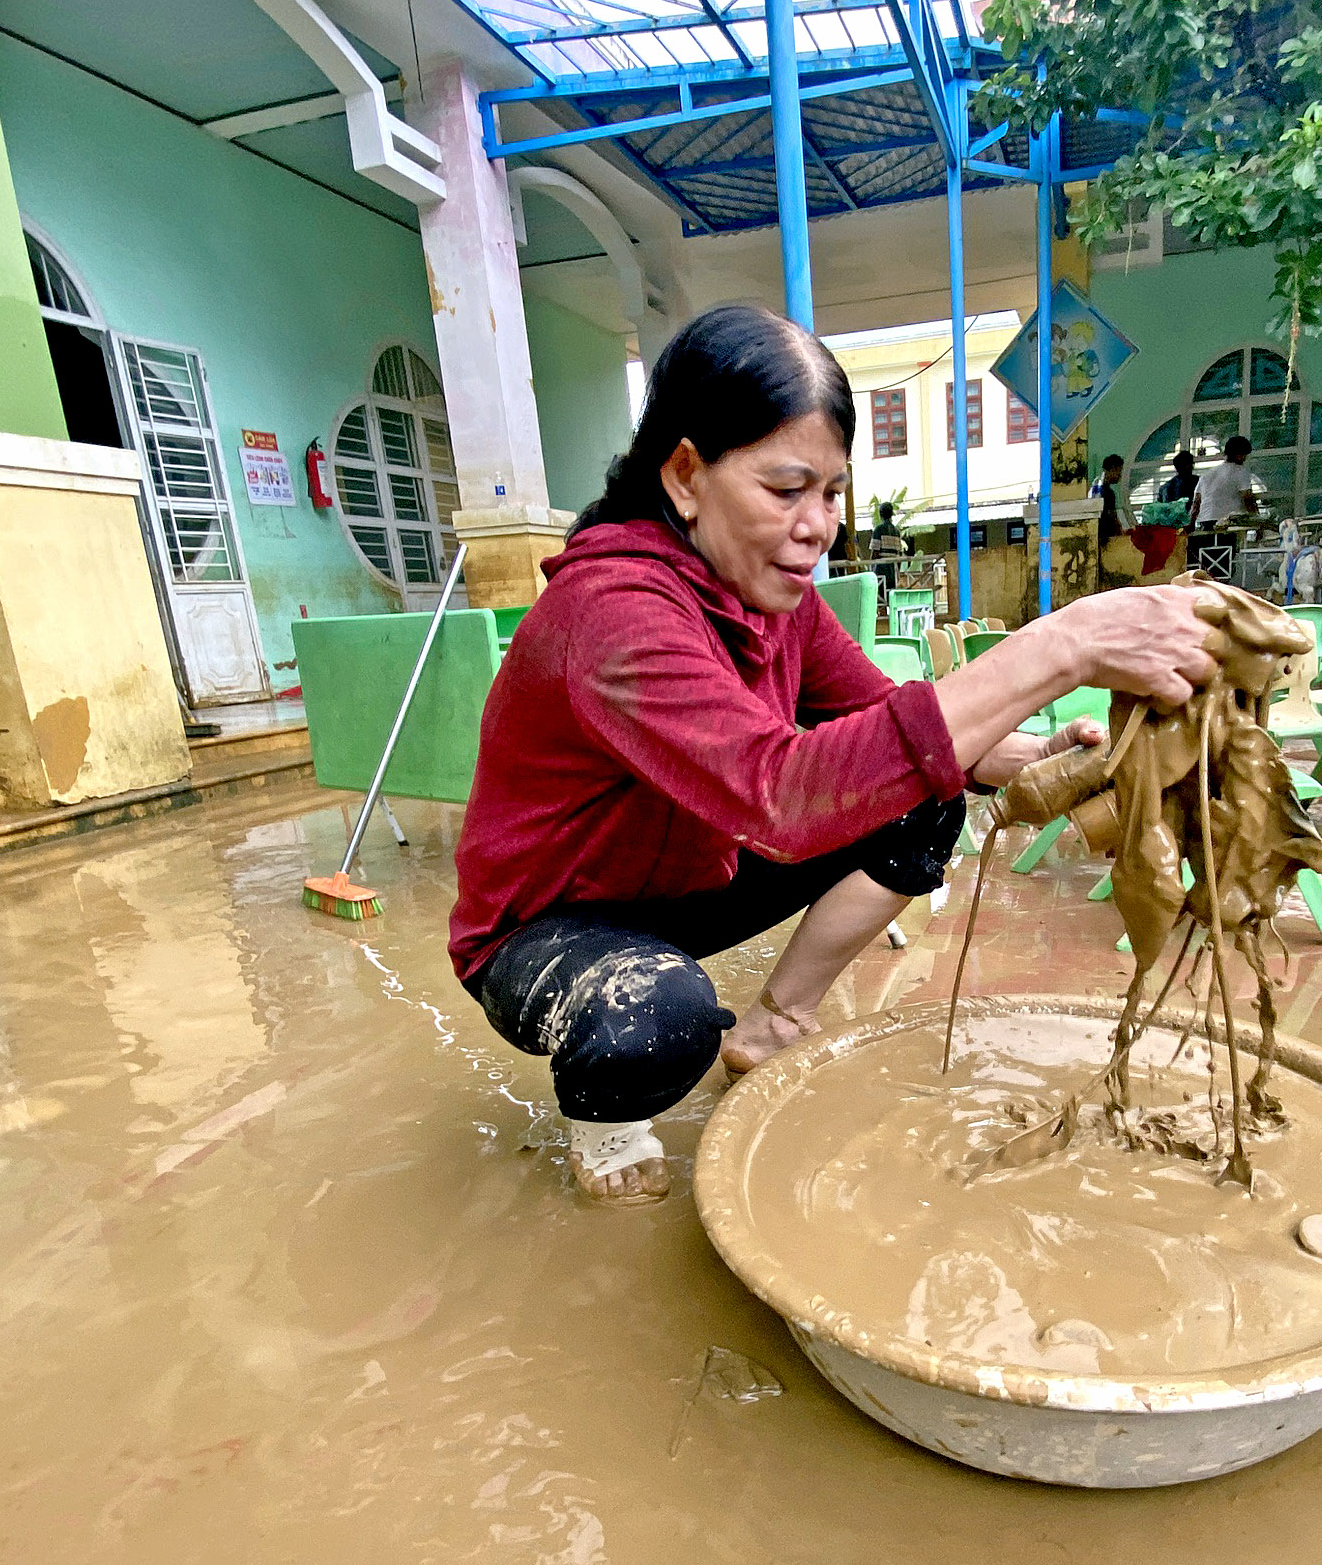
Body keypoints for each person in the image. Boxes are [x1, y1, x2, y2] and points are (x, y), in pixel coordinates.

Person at [448, 305, 1220, 1204]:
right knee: (657, 1016)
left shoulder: (776, 600)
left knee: (920, 791)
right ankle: (605, 1126)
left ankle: (777, 1023)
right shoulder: (615, 613)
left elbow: (894, 727)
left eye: (832, 491)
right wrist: (1064, 644)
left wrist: (1041, 756)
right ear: (687, 475)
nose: (819, 526)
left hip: (688, 881)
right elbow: (781, 797)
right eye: (786, 490)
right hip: (550, 927)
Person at [1193, 434, 1257, 526]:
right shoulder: (1240, 471)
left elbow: (1196, 502)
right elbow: (1247, 498)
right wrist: (1256, 519)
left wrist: (1191, 524)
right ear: (1239, 454)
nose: (1245, 458)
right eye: (1244, 455)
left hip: (1205, 520)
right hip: (1227, 521)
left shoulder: (1207, 474)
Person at [1094, 453, 1127, 537]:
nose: (1120, 475)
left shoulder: (1095, 488)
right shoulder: (1108, 493)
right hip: (1106, 536)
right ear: (1112, 469)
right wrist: (1121, 534)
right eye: (1119, 471)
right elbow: (1113, 518)